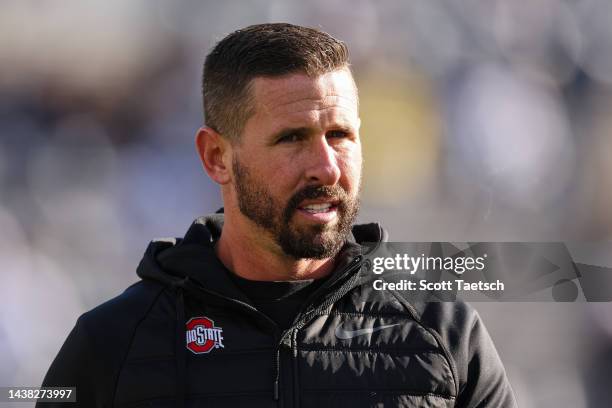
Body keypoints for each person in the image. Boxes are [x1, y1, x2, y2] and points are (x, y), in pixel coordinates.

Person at [38, 23, 516, 407]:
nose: (326, 166)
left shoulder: (445, 335)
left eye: (341, 135)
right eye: (292, 138)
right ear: (216, 157)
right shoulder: (114, 344)